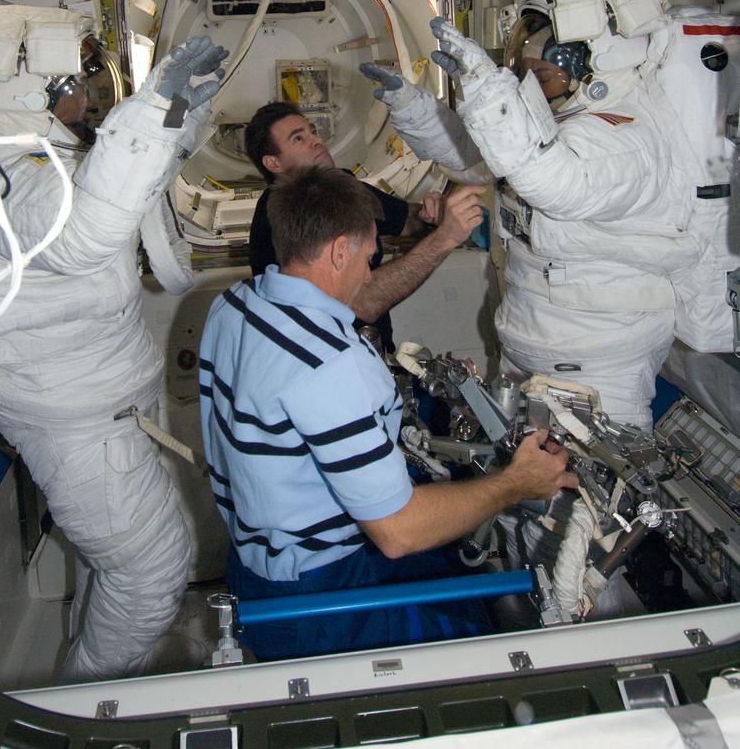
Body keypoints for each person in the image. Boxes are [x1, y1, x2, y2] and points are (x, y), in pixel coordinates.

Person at [0, 5, 228, 683]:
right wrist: (150, 111)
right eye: (74, 78)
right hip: (78, 425)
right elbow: (87, 232)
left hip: (103, 406)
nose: (89, 92)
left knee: (153, 558)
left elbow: (124, 187)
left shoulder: (37, 157)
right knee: (148, 575)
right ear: (26, 88)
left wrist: (179, 115)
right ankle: (85, 707)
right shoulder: (9, 183)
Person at [199, 166, 576, 660]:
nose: (371, 265)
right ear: (339, 251)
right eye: (370, 249)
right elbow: (399, 532)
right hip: (317, 602)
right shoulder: (332, 364)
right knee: (481, 646)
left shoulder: (233, 305)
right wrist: (516, 483)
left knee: (452, 569)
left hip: (253, 559)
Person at [362, 0, 739, 431]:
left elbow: (556, 181)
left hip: (597, 364)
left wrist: (485, 90)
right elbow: (479, 162)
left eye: (545, 71)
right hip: (531, 342)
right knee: (517, 484)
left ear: (600, 59)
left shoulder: (628, 136)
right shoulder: (561, 126)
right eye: (531, 70)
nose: (534, 80)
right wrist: (414, 109)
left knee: (583, 498)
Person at [244, 101, 485, 350]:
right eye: (298, 139)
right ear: (273, 163)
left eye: (313, 131)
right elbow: (363, 302)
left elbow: (407, 220)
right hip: (325, 357)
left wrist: (433, 213)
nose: (317, 141)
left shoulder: (340, 185)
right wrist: (445, 237)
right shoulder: (281, 217)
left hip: (372, 347)